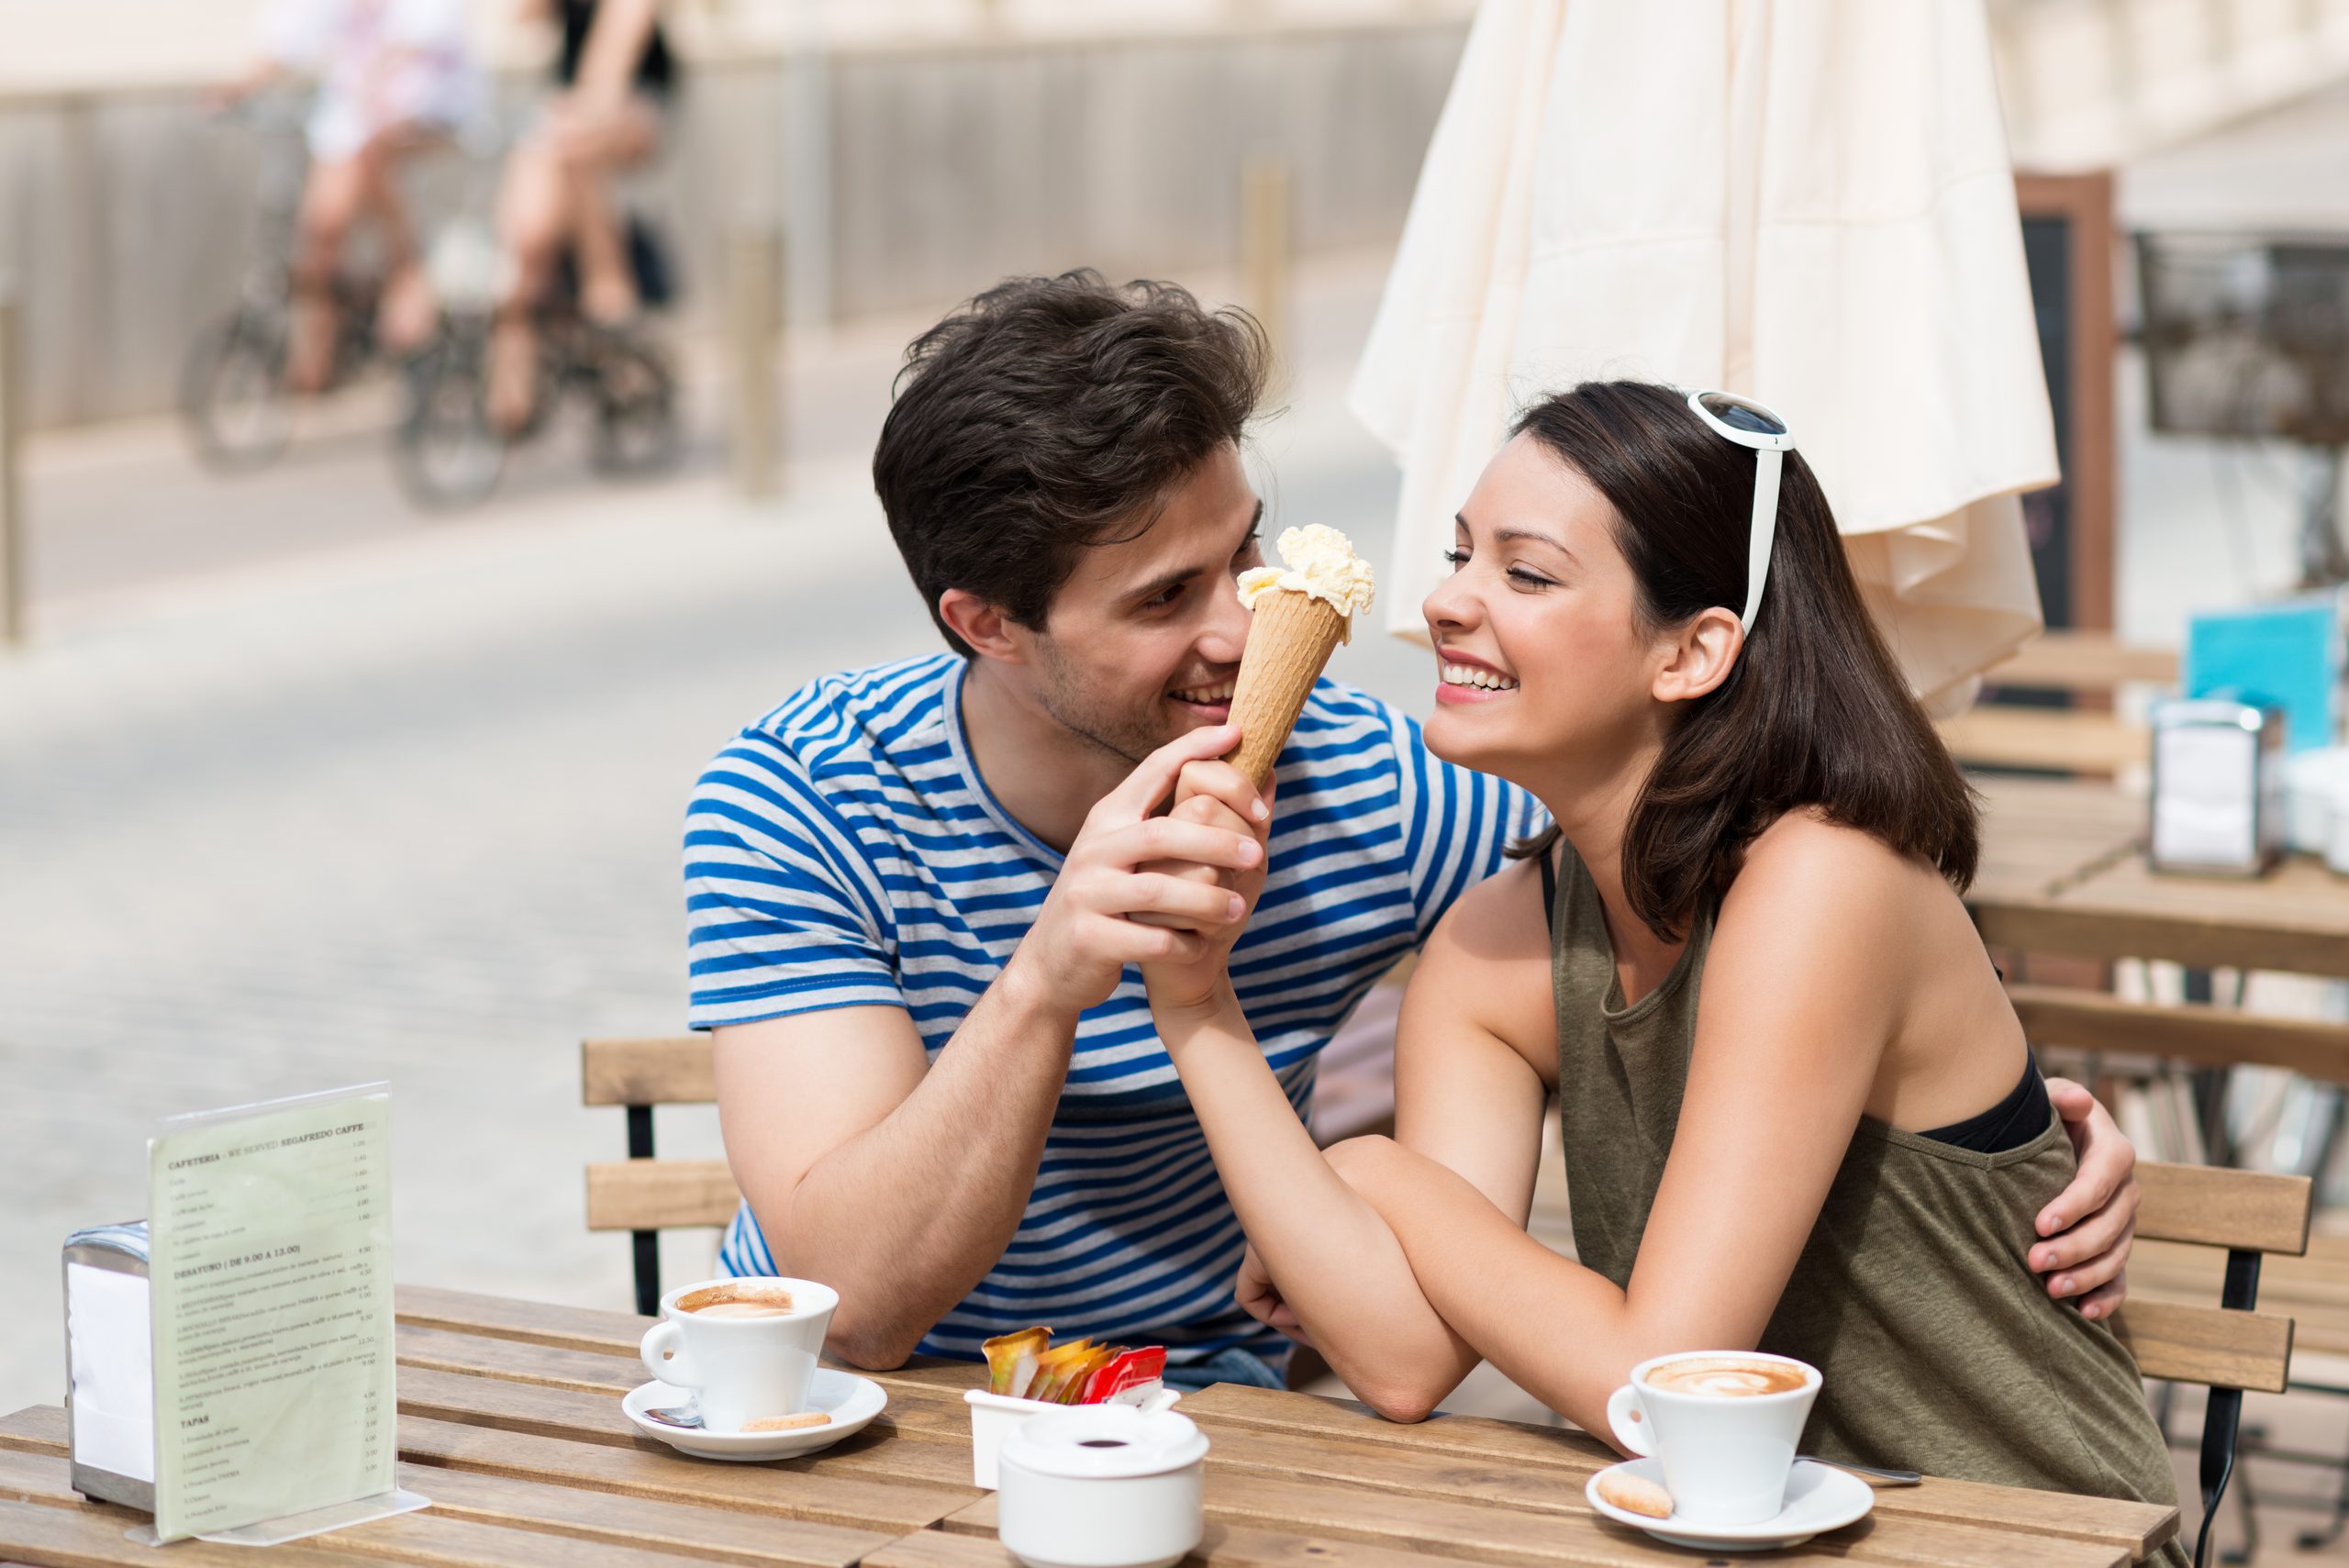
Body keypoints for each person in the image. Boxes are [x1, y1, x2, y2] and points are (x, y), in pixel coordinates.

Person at [685, 276, 2143, 1393]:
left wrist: (2019, 1109)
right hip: (856, 1418)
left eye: (1244, 553)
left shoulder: (1390, 799)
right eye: (1159, 600)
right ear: (987, 625)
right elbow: (852, 1307)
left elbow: (1711, 851)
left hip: (1213, 1413)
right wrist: (1051, 975)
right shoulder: (804, 798)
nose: (1241, 627)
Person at [1135, 379, 2182, 1536]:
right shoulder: (1497, 938)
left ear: (1692, 650)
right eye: (1458, 555)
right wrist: (1195, 1006)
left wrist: (1375, 1170)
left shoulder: (1820, 880)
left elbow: (1661, 1380)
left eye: (1524, 574)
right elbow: (1401, 1357)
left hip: (2026, 1537)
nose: (1443, 601)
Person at [219, 0, 481, 390]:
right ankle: (315, 362)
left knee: (371, 152)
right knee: (321, 228)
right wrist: (241, 85)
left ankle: (408, 269)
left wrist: (376, 81)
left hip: (423, 104)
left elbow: (424, 34)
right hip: (355, 113)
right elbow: (288, 39)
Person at [486, 0, 674, 432]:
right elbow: (522, 18)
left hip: (631, 99)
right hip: (568, 111)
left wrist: (583, 111)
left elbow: (611, 64)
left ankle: (598, 295)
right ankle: (554, 291)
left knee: (567, 146)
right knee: (545, 170)